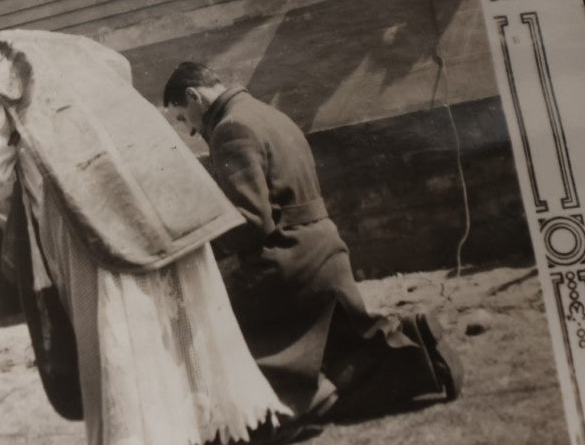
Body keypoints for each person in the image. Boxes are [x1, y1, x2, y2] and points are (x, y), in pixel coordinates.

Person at [0, 30, 291, 445]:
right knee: (168, 324)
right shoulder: (55, 48)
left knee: (113, 335)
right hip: (146, 182)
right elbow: (117, 68)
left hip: (79, 207)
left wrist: (15, 224)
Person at [162, 61, 461, 420]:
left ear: (194, 96)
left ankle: (302, 399)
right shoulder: (268, 113)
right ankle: (416, 342)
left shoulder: (230, 130)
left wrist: (203, 246)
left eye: (183, 118)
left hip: (288, 264)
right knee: (347, 342)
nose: (190, 131)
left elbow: (253, 222)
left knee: (222, 325)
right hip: (326, 251)